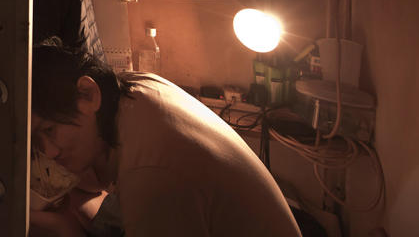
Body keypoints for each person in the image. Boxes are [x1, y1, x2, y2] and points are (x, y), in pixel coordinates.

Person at [31, 39, 302, 237]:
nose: (49, 152)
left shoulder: (152, 173)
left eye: (49, 130)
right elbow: (100, 181)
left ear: (88, 94)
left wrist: (64, 230)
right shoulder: (133, 87)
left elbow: (144, 179)